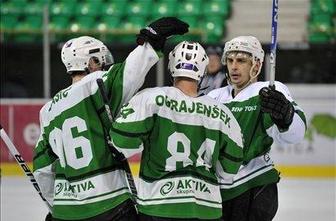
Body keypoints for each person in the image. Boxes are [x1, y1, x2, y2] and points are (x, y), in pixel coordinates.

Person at [33, 17, 189, 221]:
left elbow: (42, 169)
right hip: (109, 203)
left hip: (66, 210)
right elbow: (131, 71)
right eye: (99, 60)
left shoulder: (48, 110)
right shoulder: (96, 84)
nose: (104, 65)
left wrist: (55, 207)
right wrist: (151, 43)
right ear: (90, 62)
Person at [109, 41, 244, 221]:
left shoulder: (149, 98)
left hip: (158, 207)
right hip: (206, 209)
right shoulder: (223, 113)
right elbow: (229, 171)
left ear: (171, 67)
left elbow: (120, 143)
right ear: (202, 71)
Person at [208, 36, 307, 221]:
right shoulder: (214, 97)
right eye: (230, 60)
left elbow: (295, 135)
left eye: (241, 61)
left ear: (256, 64)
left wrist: (286, 116)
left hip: (255, 185)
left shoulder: (270, 90)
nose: (234, 67)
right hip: (218, 191)